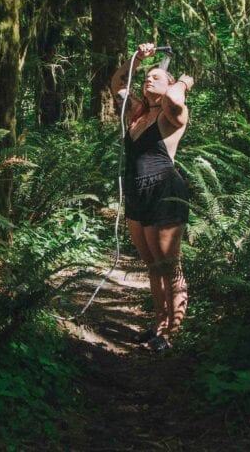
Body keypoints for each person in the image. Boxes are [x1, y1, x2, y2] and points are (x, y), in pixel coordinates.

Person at [110, 42, 194, 352]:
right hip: (137, 192)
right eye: (147, 77)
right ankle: (159, 327)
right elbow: (117, 83)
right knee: (152, 266)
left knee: (169, 265)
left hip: (164, 192)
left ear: (171, 85)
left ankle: (173, 333)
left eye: (157, 77)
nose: (149, 79)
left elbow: (173, 96)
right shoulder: (136, 113)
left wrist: (184, 80)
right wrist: (137, 62)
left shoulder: (173, 115)